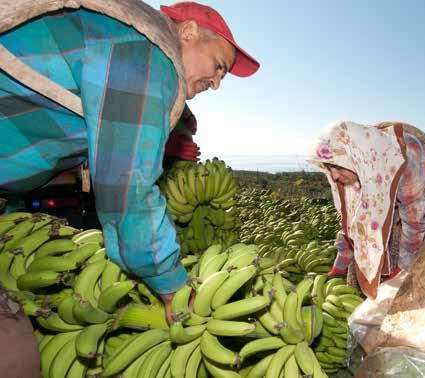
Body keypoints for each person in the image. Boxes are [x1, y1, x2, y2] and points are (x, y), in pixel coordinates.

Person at [0, 0, 259, 328]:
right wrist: (172, 286)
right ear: (190, 32)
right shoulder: (148, 55)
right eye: (219, 65)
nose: (217, 82)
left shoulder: (125, 38)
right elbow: (127, 190)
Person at [307, 121, 425, 298]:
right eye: (329, 168)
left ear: (354, 157)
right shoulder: (360, 166)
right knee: (371, 240)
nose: (335, 176)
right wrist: (339, 267)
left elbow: (414, 222)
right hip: (393, 189)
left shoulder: (402, 158)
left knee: (423, 260)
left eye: (337, 167)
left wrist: (400, 271)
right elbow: (353, 224)